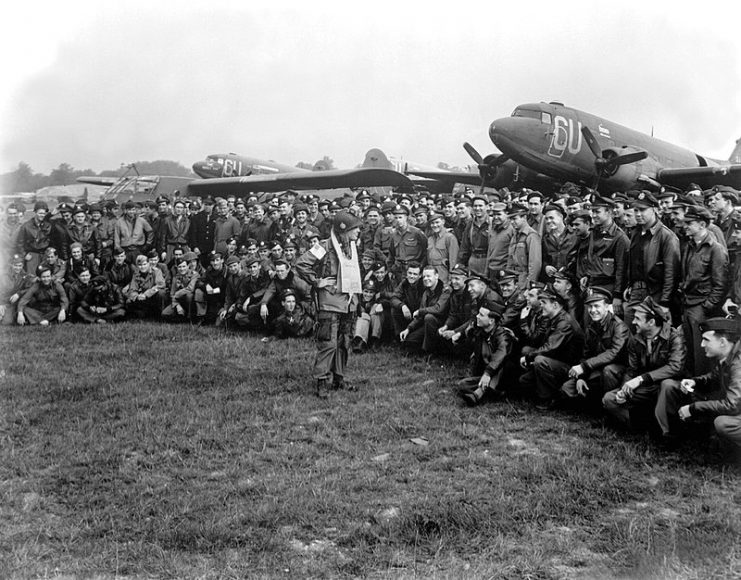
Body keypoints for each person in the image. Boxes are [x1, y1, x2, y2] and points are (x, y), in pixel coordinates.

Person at [295, 210, 364, 397]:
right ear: (344, 230)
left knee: (345, 341)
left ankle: (339, 378)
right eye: (355, 228)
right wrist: (317, 281)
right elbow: (301, 264)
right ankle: (322, 381)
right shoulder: (323, 246)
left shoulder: (353, 248)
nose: (358, 232)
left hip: (349, 301)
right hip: (330, 301)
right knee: (328, 342)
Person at [654, 317, 741, 451]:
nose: (701, 345)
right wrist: (695, 381)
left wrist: (693, 408)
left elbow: (732, 405)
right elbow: (715, 376)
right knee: (670, 385)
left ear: (722, 342)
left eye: (706, 340)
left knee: (722, 423)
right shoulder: (729, 354)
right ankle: (671, 436)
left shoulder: (738, 363)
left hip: (736, 411)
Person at [602, 297, 685, 431]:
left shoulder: (674, 337)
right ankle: (639, 427)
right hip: (646, 387)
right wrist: (624, 389)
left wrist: (641, 379)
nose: (633, 322)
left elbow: (675, 366)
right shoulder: (635, 340)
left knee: (667, 385)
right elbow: (631, 370)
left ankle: (667, 432)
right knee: (609, 399)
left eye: (638, 319)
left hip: (667, 387)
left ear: (651, 322)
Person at [678, 206, 728, 374]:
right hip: (688, 303)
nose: (685, 226)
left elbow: (720, 283)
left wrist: (707, 306)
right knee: (689, 350)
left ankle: (700, 388)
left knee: (701, 353)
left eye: (689, 223)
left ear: (702, 224)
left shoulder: (716, 249)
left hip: (700, 307)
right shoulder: (690, 246)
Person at [518, 285, 585, 409]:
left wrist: (529, 358)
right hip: (557, 360)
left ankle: (547, 399)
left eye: (544, 302)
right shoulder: (552, 318)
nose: (541, 304)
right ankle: (545, 391)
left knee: (539, 360)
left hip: (570, 367)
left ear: (555, 305)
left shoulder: (564, 322)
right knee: (524, 380)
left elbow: (550, 347)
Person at [561, 287, 630, 406]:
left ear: (607, 307)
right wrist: (581, 377)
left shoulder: (619, 327)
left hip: (618, 371)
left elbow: (613, 353)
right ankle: (594, 404)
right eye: (590, 307)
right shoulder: (591, 327)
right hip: (596, 369)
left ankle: (609, 408)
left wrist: (584, 367)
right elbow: (586, 354)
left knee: (609, 371)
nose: (593, 310)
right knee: (567, 388)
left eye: (597, 306)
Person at [457, 299, 516, 406]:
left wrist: (488, 373)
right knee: (462, 385)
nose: (477, 317)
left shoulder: (504, 336)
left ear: (491, 321)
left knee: (503, 365)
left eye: (481, 315)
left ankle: (479, 394)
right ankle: (493, 393)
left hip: (503, 375)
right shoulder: (480, 333)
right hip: (487, 373)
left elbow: (500, 355)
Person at [399, 265, 451, 353]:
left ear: (436, 276)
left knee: (429, 317)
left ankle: (428, 351)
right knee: (408, 341)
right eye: (424, 277)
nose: (426, 279)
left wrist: (420, 311)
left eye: (429, 276)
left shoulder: (445, 290)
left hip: (443, 326)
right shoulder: (426, 292)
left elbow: (438, 309)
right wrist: (408, 328)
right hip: (428, 325)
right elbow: (419, 316)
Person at [389, 205, 427, 285]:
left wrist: (420, 267)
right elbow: (391, 254)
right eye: (396, 218)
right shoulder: (394, 235)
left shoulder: (416, 233)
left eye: (400, 217)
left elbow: (425, 251)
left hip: (413, 270)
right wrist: (391, 268)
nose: (398, 220)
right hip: (399, 270)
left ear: (406, 217)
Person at [507, 203, 541, 292]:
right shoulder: (515, 236)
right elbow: (510, 260)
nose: (511, 222)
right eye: (510, 219)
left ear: (524, 218)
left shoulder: (531, 236)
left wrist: (529, 286)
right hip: (514, 280)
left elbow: (535, 264)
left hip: (525, 281)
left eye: (514, 219)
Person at [125, 254, 167, 320]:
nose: (142, 267)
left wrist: (147, 294)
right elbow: (133, 288)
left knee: (161, 293)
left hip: (153, 295)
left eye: (144, 264)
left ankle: (160, 316)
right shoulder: (136, 274)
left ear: (148, 264)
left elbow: (160, 284)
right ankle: (142, 315)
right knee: (129, 301)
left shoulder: (156, 271)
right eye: (140, 265)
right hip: (142, 297)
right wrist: (137, 296)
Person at [457, 195, 490, 277]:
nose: (477, 208)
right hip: (473, 260)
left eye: (480, 206)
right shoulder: (470, 224)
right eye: (475, 206)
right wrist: (460, 264)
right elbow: (464, 246)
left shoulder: (492, 224)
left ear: (487, 207)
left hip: (487, 260)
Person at [389, 261, 424, 337]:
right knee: (395, 309)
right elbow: (393, 298)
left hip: (420, 316)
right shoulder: (404, 283)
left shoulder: (423, 285)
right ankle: (399, 336)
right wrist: (403, 306)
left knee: (411, 342)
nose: (411, 276)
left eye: (415, 274)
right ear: (406, 273)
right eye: (410, 273)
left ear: (420, 275)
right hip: (409, 313)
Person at [0, 254, 34, 325]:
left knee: (7, 321)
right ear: (11, 265)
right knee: (5, 321)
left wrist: (19, 294)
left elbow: (29, 289)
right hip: (5, 302)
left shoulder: (25, 276)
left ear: (22, 266)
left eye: (20, 266)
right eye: (15, 265)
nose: (18, 268)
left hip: (16, 303)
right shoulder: (4, 276)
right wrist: (1, 303)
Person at [426, 212, 458, 283]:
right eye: (432, 223)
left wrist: (451, 275)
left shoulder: (449, 237)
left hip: (443, 271)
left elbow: (454, 259)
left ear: (443, 222)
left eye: (437, 222)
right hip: (431, 271)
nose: (435, 225)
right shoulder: (430, 238)